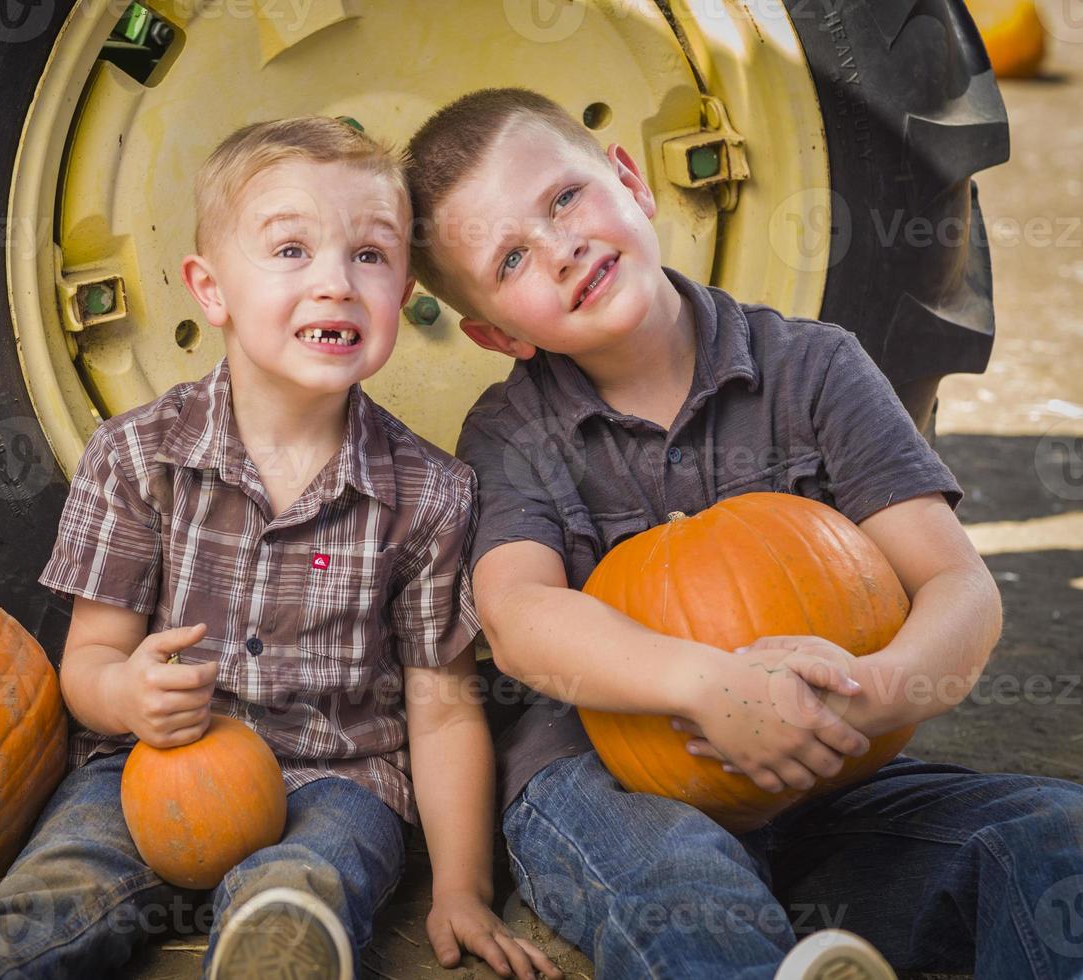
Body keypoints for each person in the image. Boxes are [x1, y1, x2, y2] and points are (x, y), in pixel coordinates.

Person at [0, 116, 562, 980]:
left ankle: (272, 956)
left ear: (404, 291)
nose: (336, 282)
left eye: (371, 254)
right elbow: (89, 663)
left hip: (339, 775)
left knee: (314, 876)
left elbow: (441, 708)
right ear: (210, 291)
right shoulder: (137, 458)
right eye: (291, 251)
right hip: (151, 763)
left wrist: (462, 889)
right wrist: (127, 695)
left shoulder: (430, 494)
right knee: (71, 874)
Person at [402, 87, 1083, 980]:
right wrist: (708, 685)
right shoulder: (511, 432)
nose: (561, 248)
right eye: (513, 258)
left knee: (1046, 838)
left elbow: (959, 588)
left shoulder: (816, 367)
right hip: (610, 787)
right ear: (496, 334)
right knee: (686, 886)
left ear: (629, 180)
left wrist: (872, 693)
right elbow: (522, 616)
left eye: (564, 199)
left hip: (824, 782)